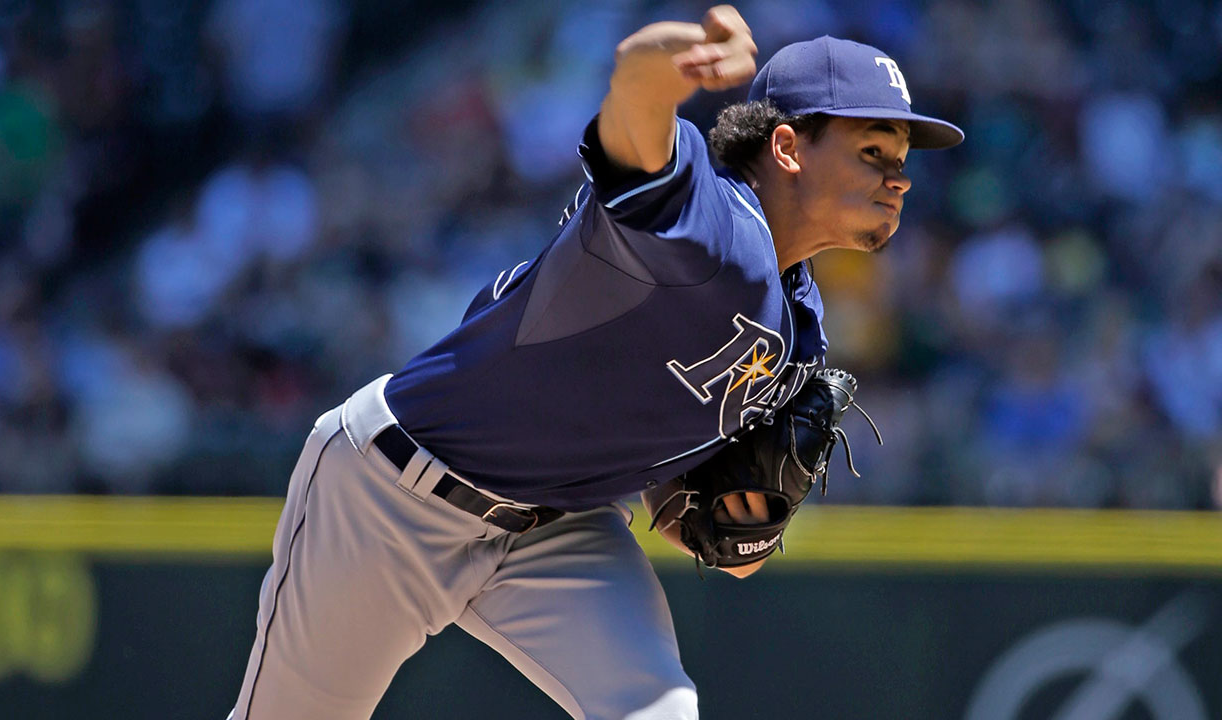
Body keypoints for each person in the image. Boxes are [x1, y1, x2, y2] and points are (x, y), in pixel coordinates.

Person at [228, 6, 963, 719]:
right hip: (392, 495)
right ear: (787, 148)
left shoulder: (801, 330)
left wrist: (741, 528)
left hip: (556, 526)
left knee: (658, 710)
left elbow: (710, 536)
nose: (897, 178)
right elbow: (633, 91)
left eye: (900, 161)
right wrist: (680, 55)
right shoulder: (699, 219)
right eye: (873, 152)